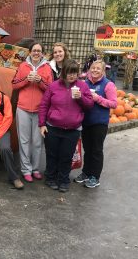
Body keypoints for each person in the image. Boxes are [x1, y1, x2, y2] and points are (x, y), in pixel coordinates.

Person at [38, 60, 94, 192]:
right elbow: (44, 105)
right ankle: (50, 177)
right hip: (52, 126)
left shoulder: (82, 86)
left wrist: (80, 97)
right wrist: (42, 124)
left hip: (72, 129)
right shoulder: (53, 86)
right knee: (52, 155)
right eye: (69, 72)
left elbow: (89, 105)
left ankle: (63, 179)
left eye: (74, 72)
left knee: (66, 156)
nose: (72, 75)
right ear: (64, 73)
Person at [12, 42, 53, 183]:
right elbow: (14, 84)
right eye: (34, 50)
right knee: (24, 141)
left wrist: (40, 80)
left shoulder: (47, 68)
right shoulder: (23, 66)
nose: (36, 53)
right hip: (23, 108)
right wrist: (25, 80)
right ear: (30, 52)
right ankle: (26, 170)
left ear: (42, 53)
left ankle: (35, 169)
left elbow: (51, 89)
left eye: (39, 51)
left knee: (37, 142)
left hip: (39, 110)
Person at [73, 60, 117, 188]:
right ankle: (86, 172)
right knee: (87, 149)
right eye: (93, 68)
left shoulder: (108, 85)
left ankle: (95, 176)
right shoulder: (84, 83)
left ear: (103, 71)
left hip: (99, 123)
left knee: (96, 150)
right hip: (86, 121)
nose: (95, 70)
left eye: (98, 69)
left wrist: (98, 99)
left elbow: (114, 104)